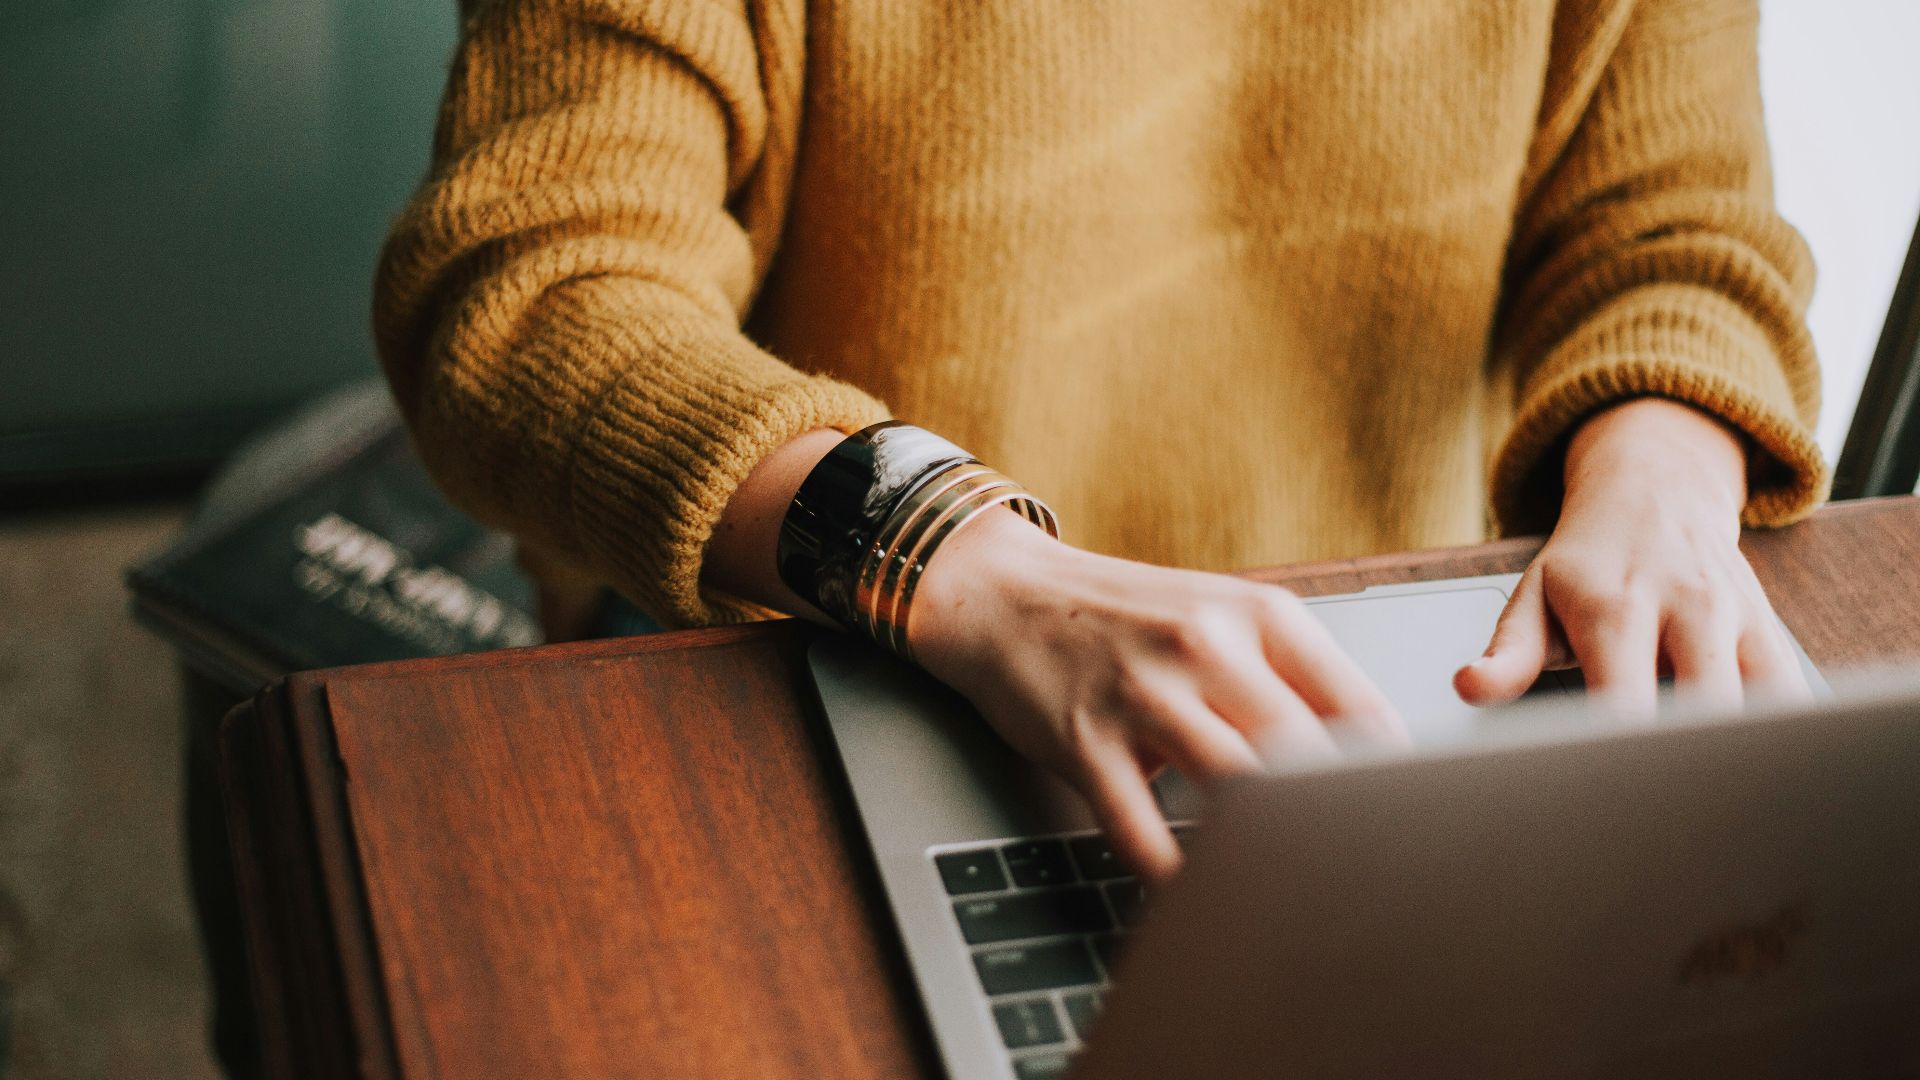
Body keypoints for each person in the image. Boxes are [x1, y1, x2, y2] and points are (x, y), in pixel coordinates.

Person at [374, 0, 1824, 883]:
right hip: (834, 645)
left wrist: (1666, 468)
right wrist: (949, 555)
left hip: (1379, 697)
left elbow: (1675, 234)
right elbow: (531, 287)